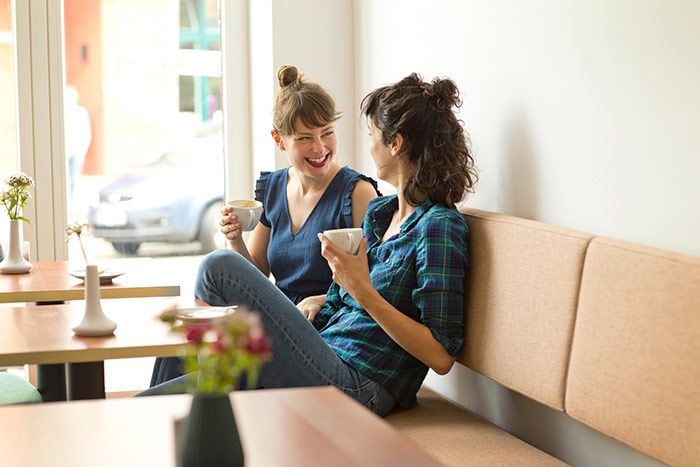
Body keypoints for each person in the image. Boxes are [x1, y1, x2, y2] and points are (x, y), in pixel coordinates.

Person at [143, 72, 478, 417]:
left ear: (396, 144)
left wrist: (361, 290)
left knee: (218, 268)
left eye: (372, 136)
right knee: (154, 403)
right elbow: (339, 299)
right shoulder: (381, 214)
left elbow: (441, 356)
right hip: (322, 349)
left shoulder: (438, 227)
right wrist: (322, 301)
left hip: (358, 383)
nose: (369, 146)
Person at [150, 65, 381, 386]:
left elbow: (376, 281)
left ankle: (178, 406)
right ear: (279, 140)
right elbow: (257, 274)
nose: (320, 148)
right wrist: (234, 240)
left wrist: (322, 299)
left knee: (212, 275)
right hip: (272, 321)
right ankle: (176, 412)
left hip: (320, 331)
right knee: (185, 327)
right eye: (304, 138)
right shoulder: (273, 187)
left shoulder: (357, 193)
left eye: (327, 132)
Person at [64, 86, 92, 206]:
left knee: (74, 179)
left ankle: (71, 204)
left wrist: (82, 150)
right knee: (63, 178)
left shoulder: (81, 112)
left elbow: (86, 132)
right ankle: (64, 202)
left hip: (76, 151)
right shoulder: (62, 113)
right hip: (64, 152)